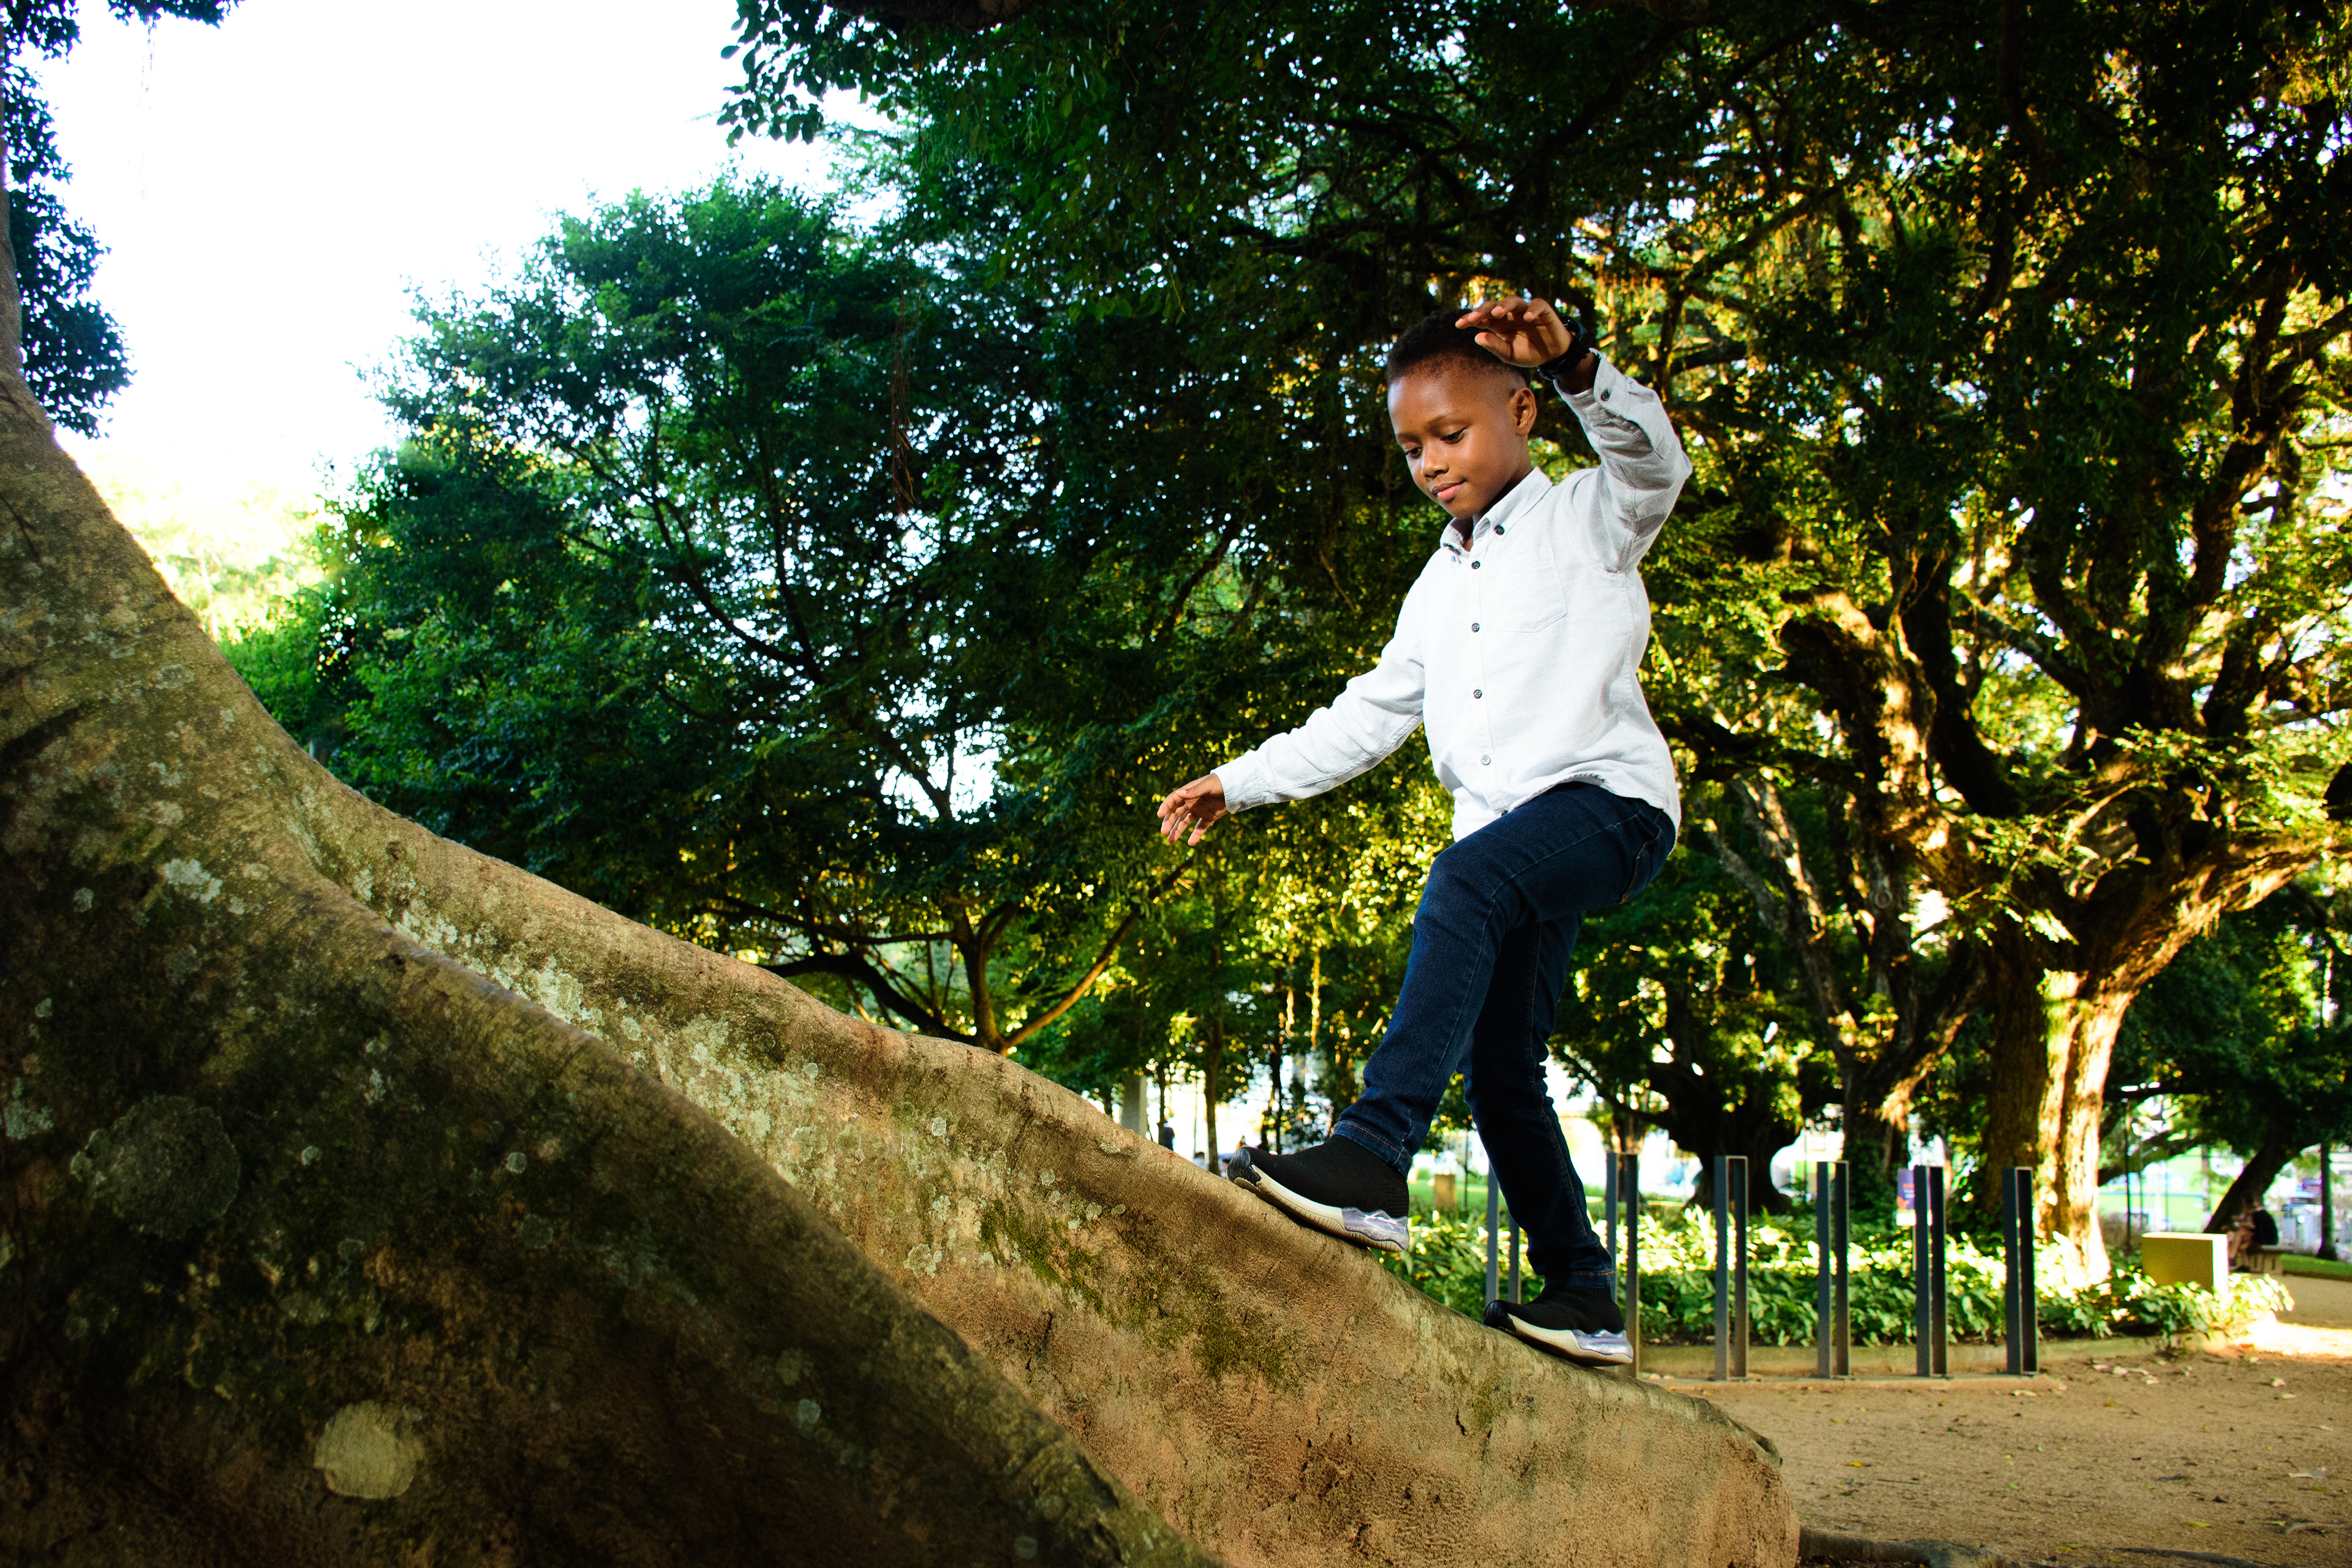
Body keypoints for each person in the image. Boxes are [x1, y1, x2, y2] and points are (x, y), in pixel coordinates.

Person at [1155, 296, 1688, 1368]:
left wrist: (1581, 361)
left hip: (1609, 807)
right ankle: (1583, 1293)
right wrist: (1238, 780)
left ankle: (1373, 1152)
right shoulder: (1434, 592)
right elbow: (1364, 718)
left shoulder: (1593, 514)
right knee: (1503, 1072)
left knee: (1464, 882)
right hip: (1516, 847)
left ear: (1523, 412)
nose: (1431, 462)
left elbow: (1656, 460)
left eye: (1453, 434)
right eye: (1411, 446)